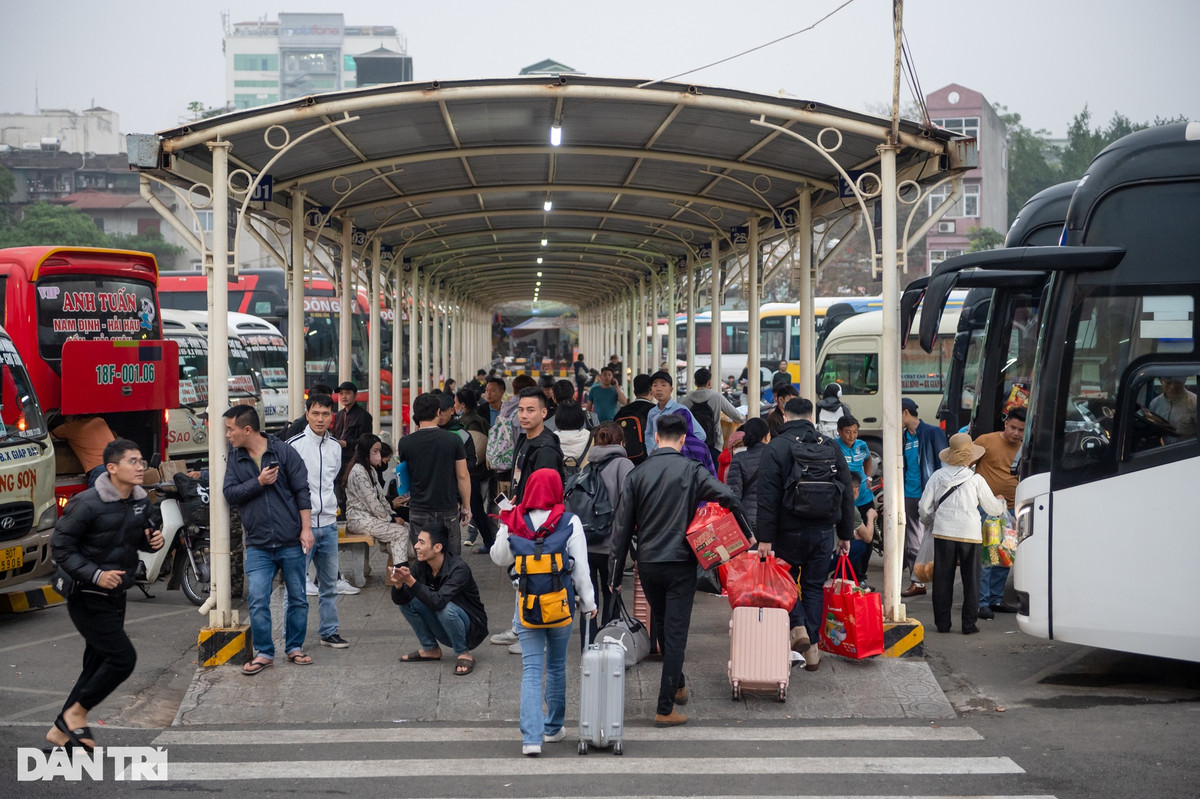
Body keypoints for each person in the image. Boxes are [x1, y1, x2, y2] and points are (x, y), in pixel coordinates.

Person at [610, 413, 742, 727]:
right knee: (676, 632)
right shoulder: (692, 470)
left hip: (648, 564)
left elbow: (621, 528)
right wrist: (743, 533)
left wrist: (615, 576)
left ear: (656, 438)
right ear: (683, 439)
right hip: (681, 562)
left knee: (663, 623)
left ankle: (678, 683)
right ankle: (664, 707)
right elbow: (728, 496)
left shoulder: (637, 474)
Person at [46, 439, 163, 753]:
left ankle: (60, 730)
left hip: (116, 593)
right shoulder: (86, 503)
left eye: (141, 461)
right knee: (122, 659)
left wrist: (152, 541)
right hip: (86, 593)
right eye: (132, 461)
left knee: (97, 662)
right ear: (112, 468)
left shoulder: (140, 502)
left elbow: (134, 539)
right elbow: (61, 548)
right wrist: (97, 574)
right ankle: (75, 714)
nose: (140, 467)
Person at [491, 468, 596, 755]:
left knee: (532, 669)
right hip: (560, 605)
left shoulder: (516, 518)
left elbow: (499, 557)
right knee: (557, 665)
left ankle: (531, 739)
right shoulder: (569, 521)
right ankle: (553, 728)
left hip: (527, 606)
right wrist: (589, 603)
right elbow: (581, 569)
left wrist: (505, 520)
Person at [756, 397, 854, 673]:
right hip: (823, 531)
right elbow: (846, 492)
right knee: (813, 587)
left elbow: (767, 497)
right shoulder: (830, 445)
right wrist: (845, 534)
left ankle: (798, 626)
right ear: (812, 417)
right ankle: (812, 651)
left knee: (785, 584)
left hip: (788, 531)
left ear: (785, 416)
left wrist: (765, 538)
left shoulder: (776, 447)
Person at [222, 405, 315, 673]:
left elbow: (302, 491)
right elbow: (230, 493)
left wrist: (306, 529)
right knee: (257, 598)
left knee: (298, 597)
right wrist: (259, 482)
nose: (227, 435)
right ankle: (264, 652)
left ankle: (294, 647)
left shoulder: (283, 452)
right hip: (258, 544)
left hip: (290, 540)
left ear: (247, 429)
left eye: (230, 429)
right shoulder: (236, 458)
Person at [288, 391, 358, 650]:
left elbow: (331, 481)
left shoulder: (335, 448)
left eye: (325, 414)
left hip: (329, 524)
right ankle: (291, 637)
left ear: (332, 417)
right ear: (307, 415)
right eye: (315, 413)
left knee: (329, 585)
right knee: (295, 586)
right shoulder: (294, 445)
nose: (320, 419)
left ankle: (329, 631)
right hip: (301, 527)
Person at [918, 433, 1008, 635]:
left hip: (943, 533)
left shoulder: (937, 477)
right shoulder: (976, 479)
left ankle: (943, 624)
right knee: (971, 580)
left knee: (942, 580)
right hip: (970, 534)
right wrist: (1002, 503)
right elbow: (992, 508)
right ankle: (968, 625)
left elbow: (924, 508)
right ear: (970, 458)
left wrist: (930, 522)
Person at [392, 528, 488, 676]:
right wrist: (398, 585)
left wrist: (410, 581)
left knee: (445, 608)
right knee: (408, 603)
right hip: (443, 623)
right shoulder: (422, 564)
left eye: (421, 542)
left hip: (471, 630)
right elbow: (401, 600)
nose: (416, 546)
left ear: (437, 547)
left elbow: (438, 602)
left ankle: (463, 653)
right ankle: (430, 649)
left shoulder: (459, 569)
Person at [574, 421, 634, 644]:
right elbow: (629, 505)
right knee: (611, 596)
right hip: (611, 546)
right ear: (622, 442)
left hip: (586, 543)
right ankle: (608, 647)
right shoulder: (624, 465)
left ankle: (588, 647)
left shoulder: (587, 466)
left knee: (588, 600)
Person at [394, 392, 472, 557]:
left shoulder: (405, 443)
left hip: (418, 508)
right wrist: (466, 507)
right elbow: (463, 476)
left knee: (423, 557)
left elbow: (406, 473)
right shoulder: (453, 440)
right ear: (438, 412)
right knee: (450, 558)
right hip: (448, 507)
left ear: (415, 415)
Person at [973, 408, 1026, 618]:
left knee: (1005, 555)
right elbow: (965, 465)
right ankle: (982, 602)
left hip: (1012, 510)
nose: (1016, 433)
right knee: (989, 555)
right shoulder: (986, 441)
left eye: (1021, 430)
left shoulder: (1024, 448)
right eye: (1013, 428)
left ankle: (995, 599)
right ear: (1005, 424)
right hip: (988, 509)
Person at [901, 398, 949, 598]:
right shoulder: (903, 438)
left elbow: (944, 464)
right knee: (913, 542)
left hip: (929, 495)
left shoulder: (932, 432)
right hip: (909, 494)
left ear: (905, 413)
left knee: (934, 540)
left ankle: (930, 580)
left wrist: (941, 494)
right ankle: (917, 581)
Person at [342, 433, 410, 564]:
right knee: (400, 532)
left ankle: (399, 565)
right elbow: (373, 503)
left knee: (406, 526)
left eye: (379, 451)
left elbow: (381, 498)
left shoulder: (371, 470)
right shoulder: (358, 472)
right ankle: (401, 569)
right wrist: (391, 520)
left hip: (371, 517)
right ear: (365, 452)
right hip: (359, 519)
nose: (378, 454)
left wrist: (393, 514)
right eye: (375, 451)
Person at [456, 387, 496, 554]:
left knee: (476, 509)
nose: (454, 406)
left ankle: (490, 542)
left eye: (456, 403)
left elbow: (475, 449)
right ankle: (490, 541)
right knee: (476, 509)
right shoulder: (480, 419)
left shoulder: (468, 422)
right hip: (478, 472)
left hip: (471, 473)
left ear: (463, 405)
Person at [680, 367, 746, 462]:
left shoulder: (685, 400)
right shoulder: (716, 397)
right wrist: (744, 417)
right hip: (714, 445)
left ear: (695, 383)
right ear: (709, 383)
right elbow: (737, 417)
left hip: (692, 446)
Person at [512, 387, 566, 502]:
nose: (524, 415)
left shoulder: (546, 450)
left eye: (530, 410)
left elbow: (545, 497)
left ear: (544, 413)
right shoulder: (523, 440)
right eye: (521, 410)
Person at [836, 415, 877, 556]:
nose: (852, 435)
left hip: (864, 497)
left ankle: (863, 569)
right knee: (850, 537)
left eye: (855, 431)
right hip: (846, 499)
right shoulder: (834, 446)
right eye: (848, 432)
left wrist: (868, 476)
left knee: (868, 538)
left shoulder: (862, 445)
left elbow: (868, 458)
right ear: (839, 431)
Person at [726, 417, 770, 536]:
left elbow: (734, 496)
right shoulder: (775, 457)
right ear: (766, 436)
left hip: (747, 520)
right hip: (771, 518)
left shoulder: (738, 458)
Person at [643, 370, 705, 456]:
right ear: (651, 390)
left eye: (663, 385)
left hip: (676, 458)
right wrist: (651, 451)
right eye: (655, 385)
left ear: (671, 389)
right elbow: (648, 434)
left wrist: (680, 448)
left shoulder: (681, 410)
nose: (658, 389)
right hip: (658, 457)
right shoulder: (652, 412)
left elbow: (701, 434)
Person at [331, 381, 373, 502]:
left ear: (355, 395)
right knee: (339, 492)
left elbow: (365, 440)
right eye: (341, 394)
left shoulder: (364, 416)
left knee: (351, 493)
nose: (344, 396)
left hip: (354, 460)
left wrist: (347, 443)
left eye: (347, 393)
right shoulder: (339, 415)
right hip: (339, 459)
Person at [51, 414, 115, 480]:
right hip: (116, 465)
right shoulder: (99, 421)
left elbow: (47, 437)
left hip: (99, 469)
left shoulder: (69, 427)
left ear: (71, 416)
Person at [1149, 378, 1197, 442]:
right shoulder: (1155, 403)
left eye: (1177, 383)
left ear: (1184, 380)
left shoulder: (1195, 402)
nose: (1173, 387)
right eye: (1168, 383)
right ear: (1160, 381)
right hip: (1159, 446)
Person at [553, 401, 592, 477]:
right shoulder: (590, 437)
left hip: (558, 481)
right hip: (584, 481)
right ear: (580, 417)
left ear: (558, 416)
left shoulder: (552, 439)